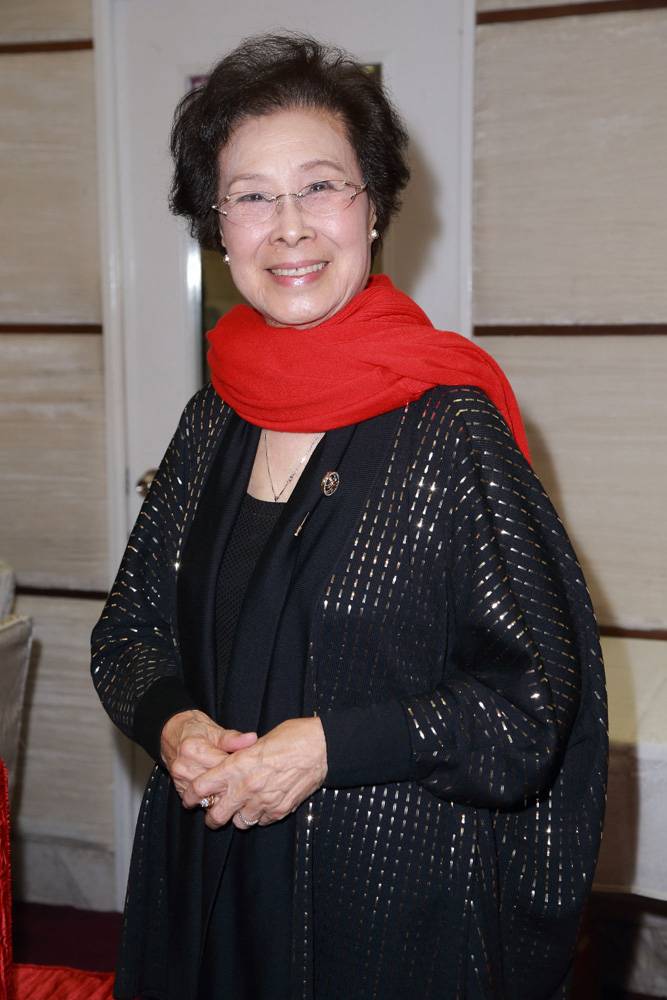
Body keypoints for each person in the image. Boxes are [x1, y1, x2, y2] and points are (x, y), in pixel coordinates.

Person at [91, 32, 607, 1000]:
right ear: (217, 226)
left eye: (320, 186)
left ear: (372, 207)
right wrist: (172, 723)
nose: (288, 227)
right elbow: (128, 632)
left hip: (384, 907)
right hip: (206, 876)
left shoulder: (451, 429)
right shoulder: (213, 417)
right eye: (251, 196)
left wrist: (333, 744)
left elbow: (532, 711)